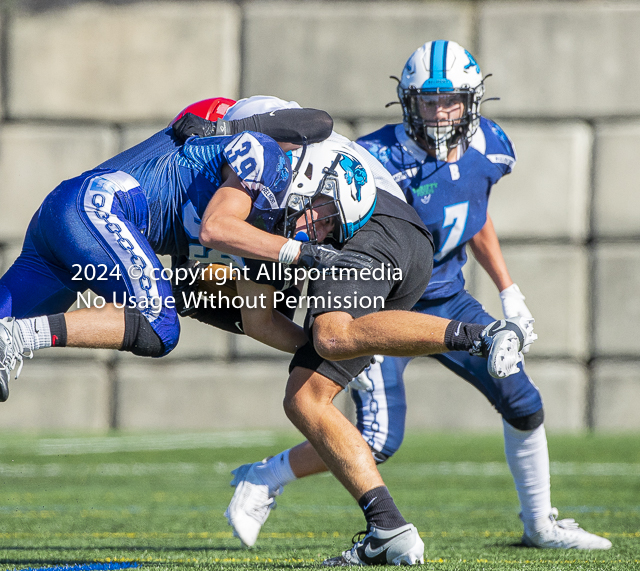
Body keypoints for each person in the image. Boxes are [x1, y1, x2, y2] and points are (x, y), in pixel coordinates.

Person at [0, 103, 366, 562]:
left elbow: (255, 318)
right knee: (160, 325)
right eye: (322, 217)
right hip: (97, 210)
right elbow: (215, 228)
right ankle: (18, 339)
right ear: (309, 177)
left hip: (63, 222)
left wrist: (322, 354)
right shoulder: (267, 158)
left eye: (327, 231)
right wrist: (304, 252)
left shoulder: (265, 213)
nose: (314, 229)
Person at [224, 42, 612, 557]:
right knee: (380, 438)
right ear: (407, 102)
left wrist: (508, 288)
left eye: (450, 100)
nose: (439, 112)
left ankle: (540, 524)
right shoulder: (377, 155)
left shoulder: (491, 147)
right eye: (427, 101)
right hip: (377, 300)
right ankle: (266, 477)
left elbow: (474, 213)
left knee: (523, 399)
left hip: (447, 294)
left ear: (472, 101)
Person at [180, 95, 536, 566]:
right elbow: (260, 319)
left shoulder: (256, 140)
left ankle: (482, 335)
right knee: (305, 398)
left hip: (371, 226)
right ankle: (388, 528)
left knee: (330, 334)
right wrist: (355, 351)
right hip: (381, 243)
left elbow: (220, 226)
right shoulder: (266, 190)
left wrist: (294, 255)